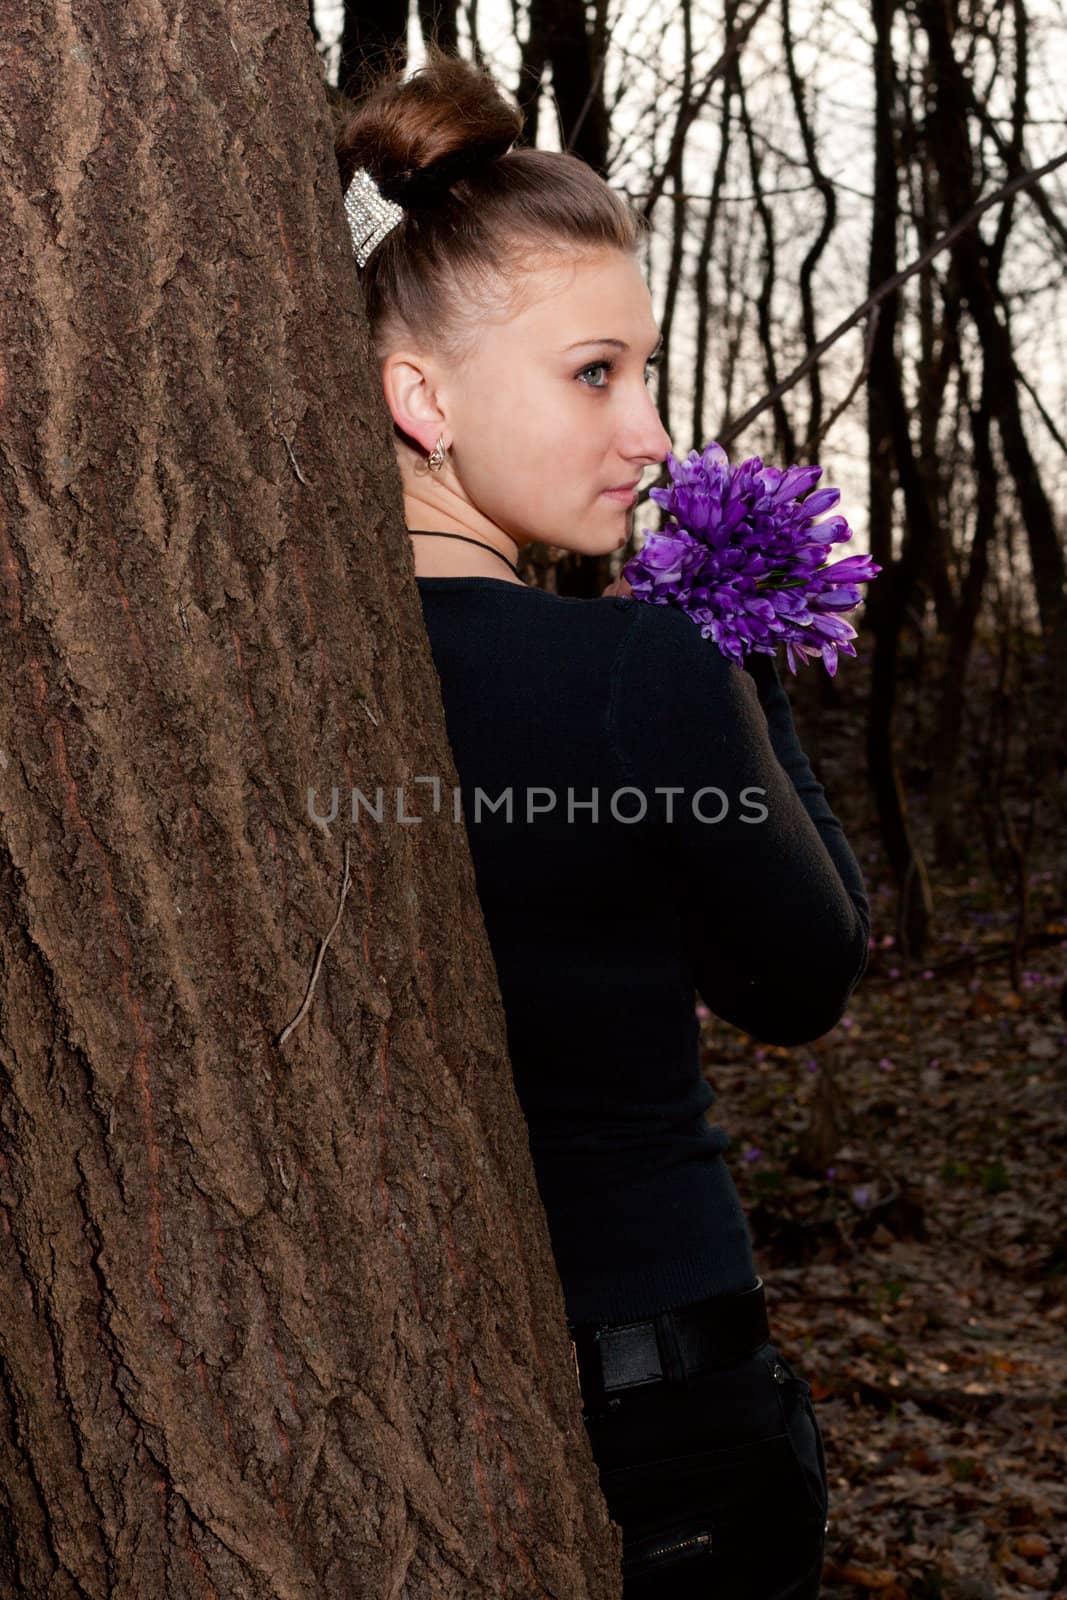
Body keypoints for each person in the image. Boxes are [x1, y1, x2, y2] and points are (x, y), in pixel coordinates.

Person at [334, 44, 869, 1598]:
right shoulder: (642, 672)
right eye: (594, 374)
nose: (650, 434)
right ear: (418, 397)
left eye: (646, 372)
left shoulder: (271, 674)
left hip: (399, 1394)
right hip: (668, 1414)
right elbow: (807, 976)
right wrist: (748, 662)